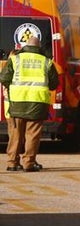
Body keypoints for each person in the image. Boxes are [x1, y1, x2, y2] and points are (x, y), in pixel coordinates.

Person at [0, 33, 59, 172]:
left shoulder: (15, 59)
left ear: (25, 46)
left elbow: (4, 78)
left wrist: (13, 88)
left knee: (15, 134)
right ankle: (29, 163)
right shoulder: (47, 61)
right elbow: (54, 84)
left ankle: (12, 162)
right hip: (37, 103)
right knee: (32, 134)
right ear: (39, 47)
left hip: (17, 102)